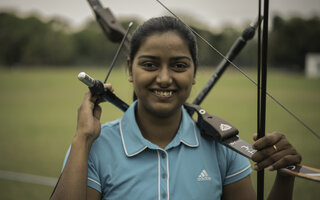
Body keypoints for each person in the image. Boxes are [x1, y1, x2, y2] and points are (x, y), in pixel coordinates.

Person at [50, 16, 301, 200]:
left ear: (194, 73)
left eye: (179, 66)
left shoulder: (224, 147)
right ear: (129, 69)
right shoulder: (94, 146)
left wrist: (285, 174)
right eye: (149, 64)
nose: (164, 78)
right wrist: (82, 139)